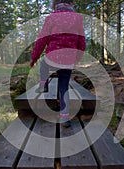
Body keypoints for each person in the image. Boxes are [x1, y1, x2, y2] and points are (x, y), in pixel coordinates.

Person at [30, 0, 86, 128]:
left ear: (55, 5)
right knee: (64, 87)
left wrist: (34, 58)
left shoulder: (51, 18)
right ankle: (65, 117)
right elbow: (81, 41)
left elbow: (42, 39)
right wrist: (77, 58)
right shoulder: (77, 18)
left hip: (52, 57)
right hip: (68, 59)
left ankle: (43, 84)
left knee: (43, 64)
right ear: (71, 4)